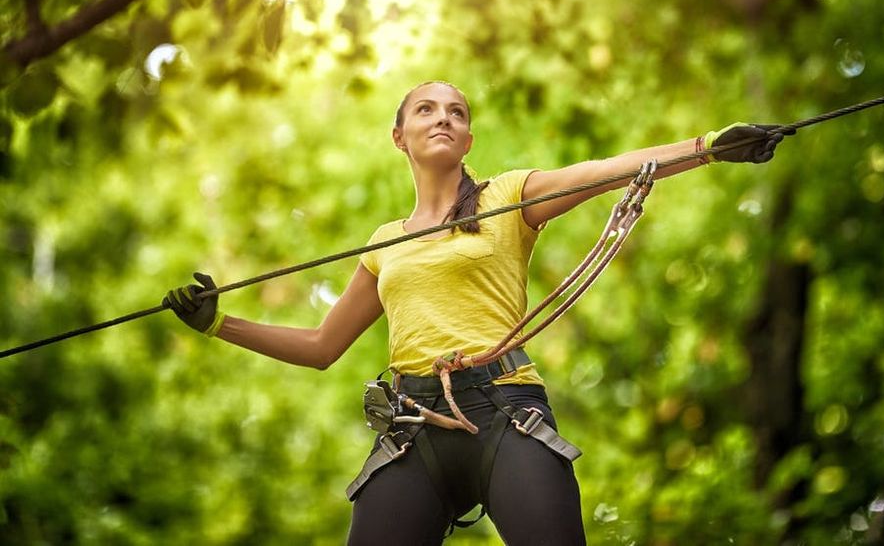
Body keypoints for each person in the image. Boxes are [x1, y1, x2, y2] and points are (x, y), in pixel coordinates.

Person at [165, 81, 788, 545]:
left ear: (468, 139)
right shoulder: (385, 241)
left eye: (456, 112)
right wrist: (218, 323)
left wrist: (709, 147)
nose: (443, 118)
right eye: (426, 109)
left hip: (505, 413)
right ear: (399, 136)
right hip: (412, 429)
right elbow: (322, 346)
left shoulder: (506, 197)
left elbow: (603, 172)